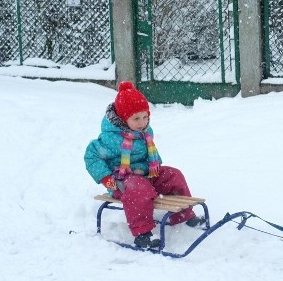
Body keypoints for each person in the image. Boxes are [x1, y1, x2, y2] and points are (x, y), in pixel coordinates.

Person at [84, 81, 202, 249]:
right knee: (138, 187)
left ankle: (183, 214)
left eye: (145, 117)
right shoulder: (111, 138)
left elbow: (150, 153)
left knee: (174, 175)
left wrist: (155, 166)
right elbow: (91, 156)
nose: (142, 122)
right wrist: (106, 178)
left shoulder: (145, 133)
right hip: (121, 182)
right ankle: (142, 233)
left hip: (147, 175)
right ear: (124, 119)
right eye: (136, 119)